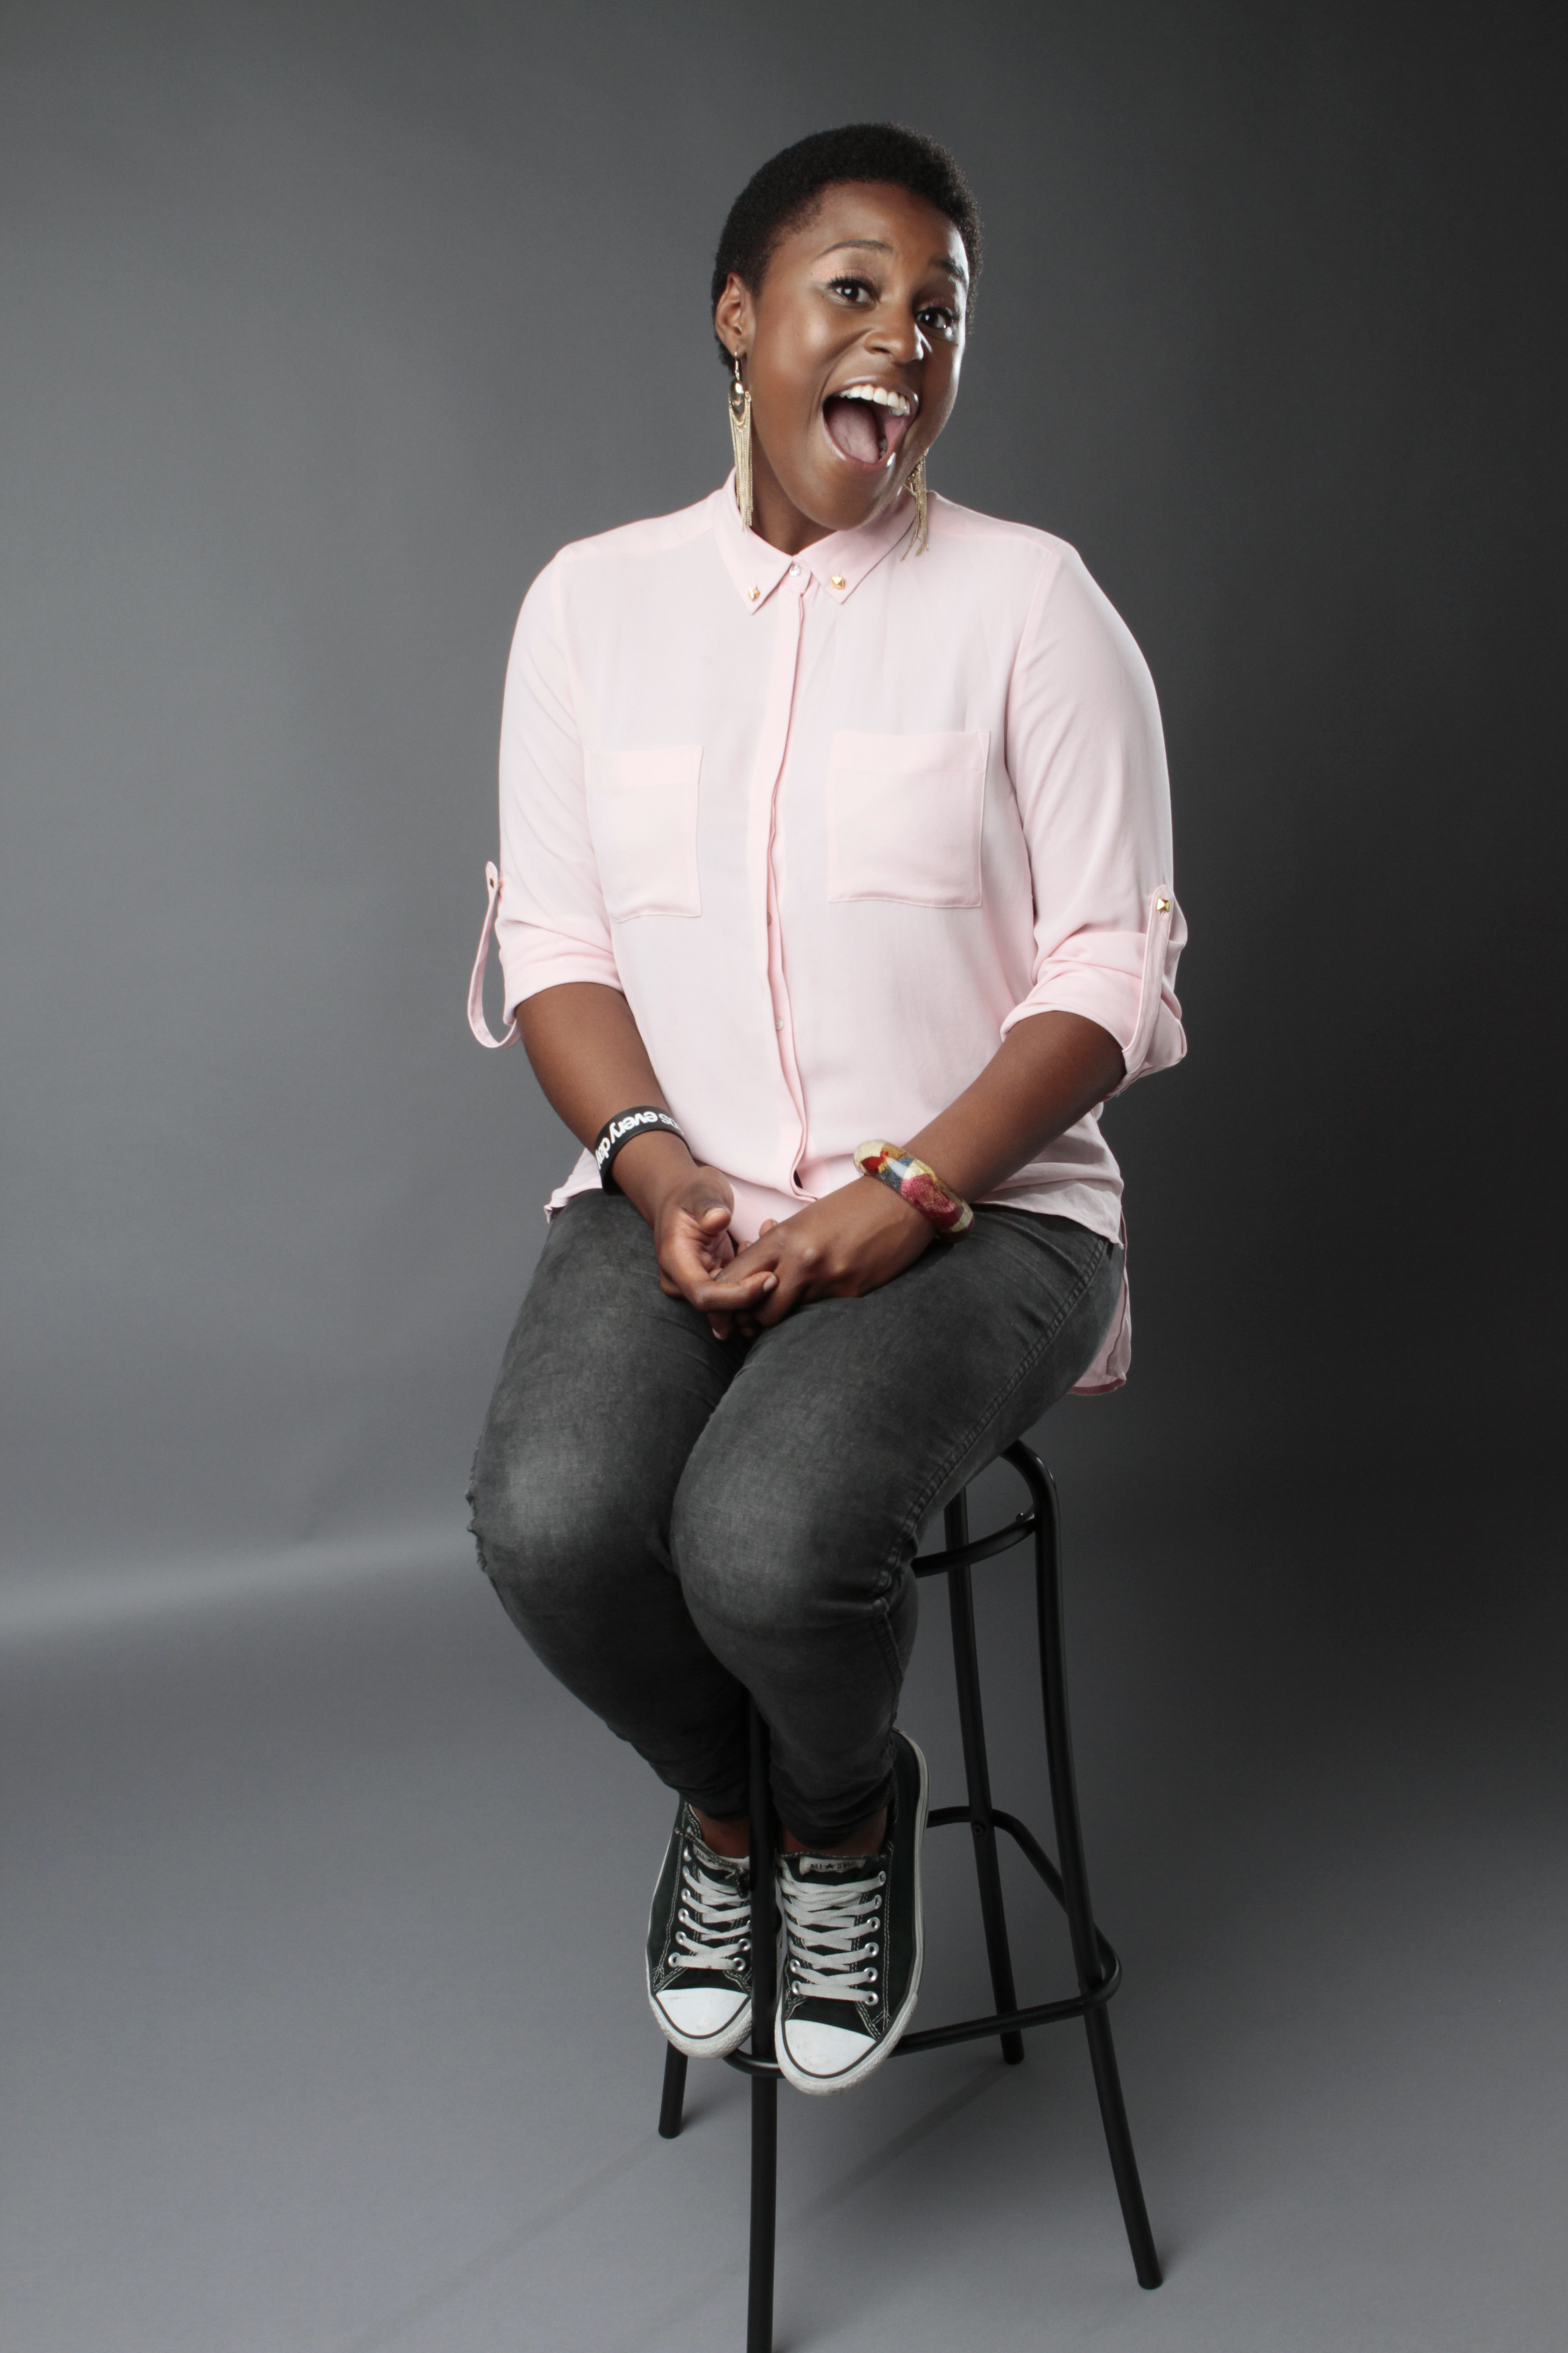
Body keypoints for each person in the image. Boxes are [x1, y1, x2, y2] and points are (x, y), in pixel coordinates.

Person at [465, 123, 1186, 2098]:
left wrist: (915, 1189)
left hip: (994, 1206)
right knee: (545, 1522)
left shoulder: (1036, 609)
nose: (904, 337)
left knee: (766, 1541)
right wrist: (656, 1159)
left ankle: (850, 1827)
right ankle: (734, 1816)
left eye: (940, 309)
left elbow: (1112, 972)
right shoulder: (591, 611)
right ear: (741, 319)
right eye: (854, 289)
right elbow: (559, 943)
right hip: (689, 1188)